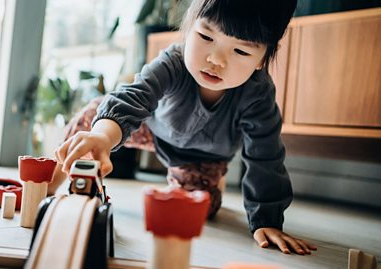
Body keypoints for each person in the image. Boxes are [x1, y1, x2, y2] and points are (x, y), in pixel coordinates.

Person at [54, 0, 317, 255]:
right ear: (189, 28)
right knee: (92, 115)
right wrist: (101, 137)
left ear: (261, 60)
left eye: (241, 51)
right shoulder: (172, 62)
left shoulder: (257, 94)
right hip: (153, 131)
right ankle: (52, 175)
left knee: (199, 208)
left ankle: (216, 180)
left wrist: (266, 220)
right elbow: (133, 97)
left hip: (202, 157)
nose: (216, 59)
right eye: (206, 36)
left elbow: (265, 155)